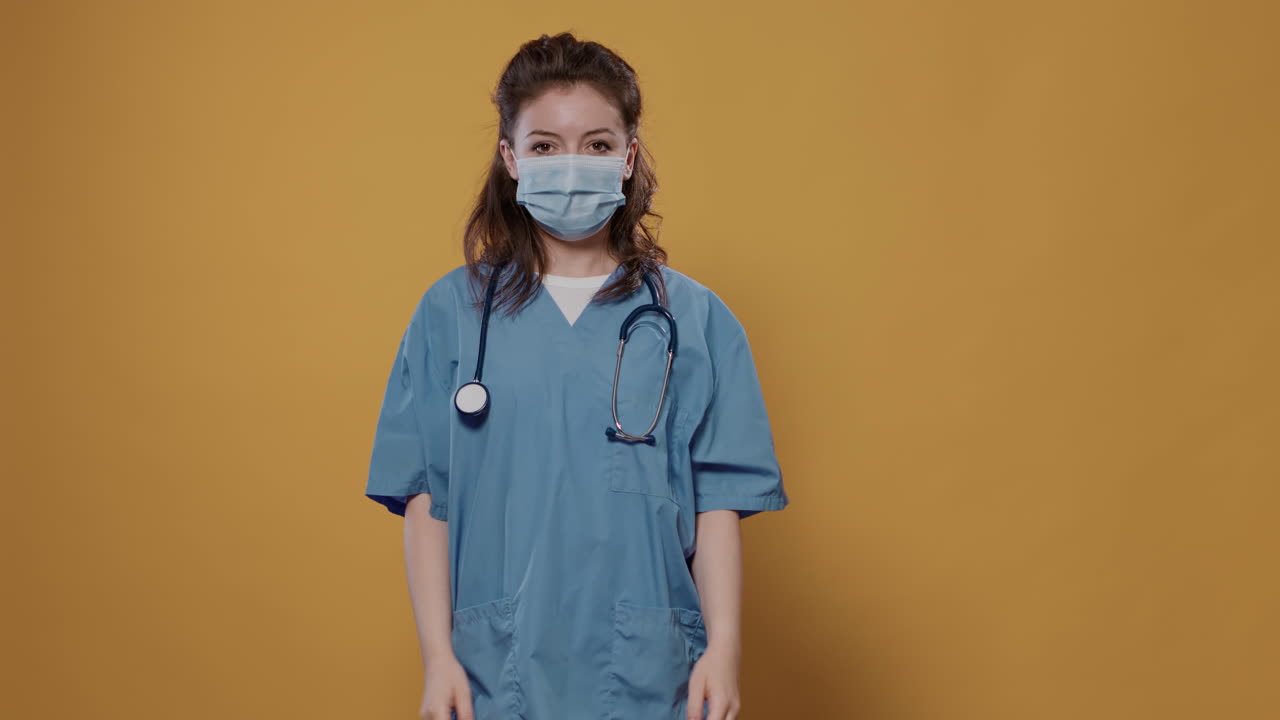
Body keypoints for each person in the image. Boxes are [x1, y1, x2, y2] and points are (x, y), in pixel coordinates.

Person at [365, 32, 790, 720]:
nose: (572, 164)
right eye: (544, 146)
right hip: (491, 668)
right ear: (511, 159)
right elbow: (424, 499)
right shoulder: (451, 313)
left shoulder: (695, 320)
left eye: (596, 145)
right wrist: (439, 658)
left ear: (627, 157)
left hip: (650, 670)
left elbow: (718, 503)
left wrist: (725, 648)